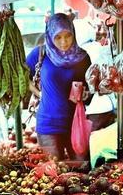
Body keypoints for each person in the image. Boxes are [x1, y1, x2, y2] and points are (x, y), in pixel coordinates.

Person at [26, 13, 91, 161]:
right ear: (49, 36)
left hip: (75, 123)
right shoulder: (40, 53)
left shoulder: (83, 57)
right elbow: (21, 76)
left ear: (73, 33)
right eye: (58, 37)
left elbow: (89, 87)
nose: (64, 42)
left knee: (82, 172)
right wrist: (38, 93)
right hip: (48, 124)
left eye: (67, 36)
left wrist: (86, 94)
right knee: (53, 174)